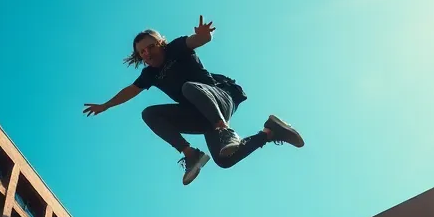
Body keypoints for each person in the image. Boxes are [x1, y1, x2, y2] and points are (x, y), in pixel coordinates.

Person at [83, 16, 304, 185]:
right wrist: (106, 105)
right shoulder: (149, 74)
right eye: (142, 52)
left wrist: (204, 35)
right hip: (200, 117)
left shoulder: (176, 48)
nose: (147, 54)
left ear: (161, 43)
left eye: (150, 47)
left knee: (188, 88)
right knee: (222, 159)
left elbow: (196, 40)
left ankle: (225, 130)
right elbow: (130, 91)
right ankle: (267, 133)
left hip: (218, 98)